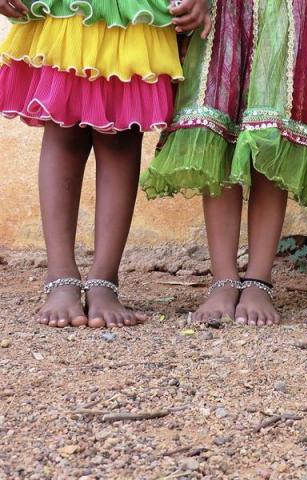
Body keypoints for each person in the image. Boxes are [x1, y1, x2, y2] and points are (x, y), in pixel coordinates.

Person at [0, 0, 209, 328]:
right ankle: (61, 276)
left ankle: (104, 280)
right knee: (63, 127)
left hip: (136, 11)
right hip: (67, 11)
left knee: (121, 135)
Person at [140, 0, 307, 327]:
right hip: (220, 12)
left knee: (271, 134)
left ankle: (258, 280)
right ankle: (224, 279)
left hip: (289, 14)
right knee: (218, 137)